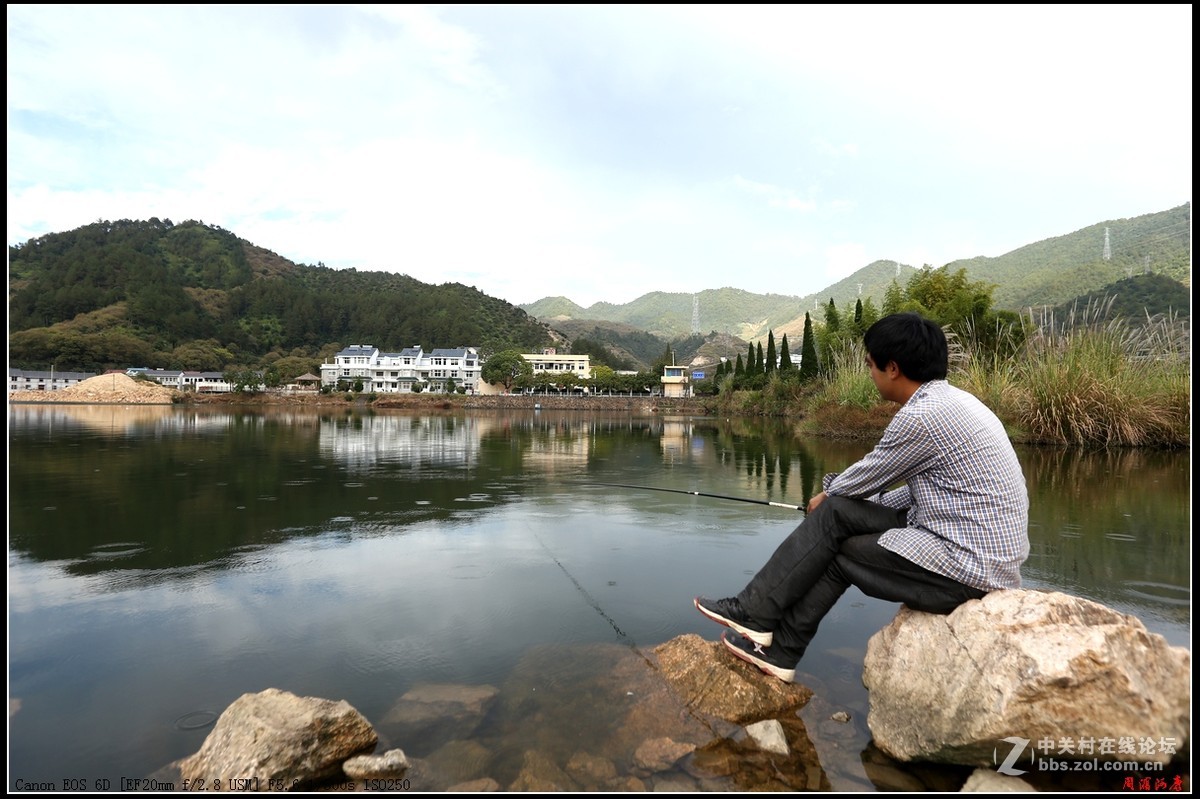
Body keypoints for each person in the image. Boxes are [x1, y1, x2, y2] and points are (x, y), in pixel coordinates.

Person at [695, 312, 1029, 682]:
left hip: (967, 567)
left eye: (870, 364)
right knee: (837, 518)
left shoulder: (923, 416)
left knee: (838, 545)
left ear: (893, 368)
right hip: (966, 543)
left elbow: (870, 474)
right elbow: (926, 493)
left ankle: (770, 635)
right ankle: (762, 623)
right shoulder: (955, 402)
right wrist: (840, 504)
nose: (868, 371)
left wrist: (827, 494)